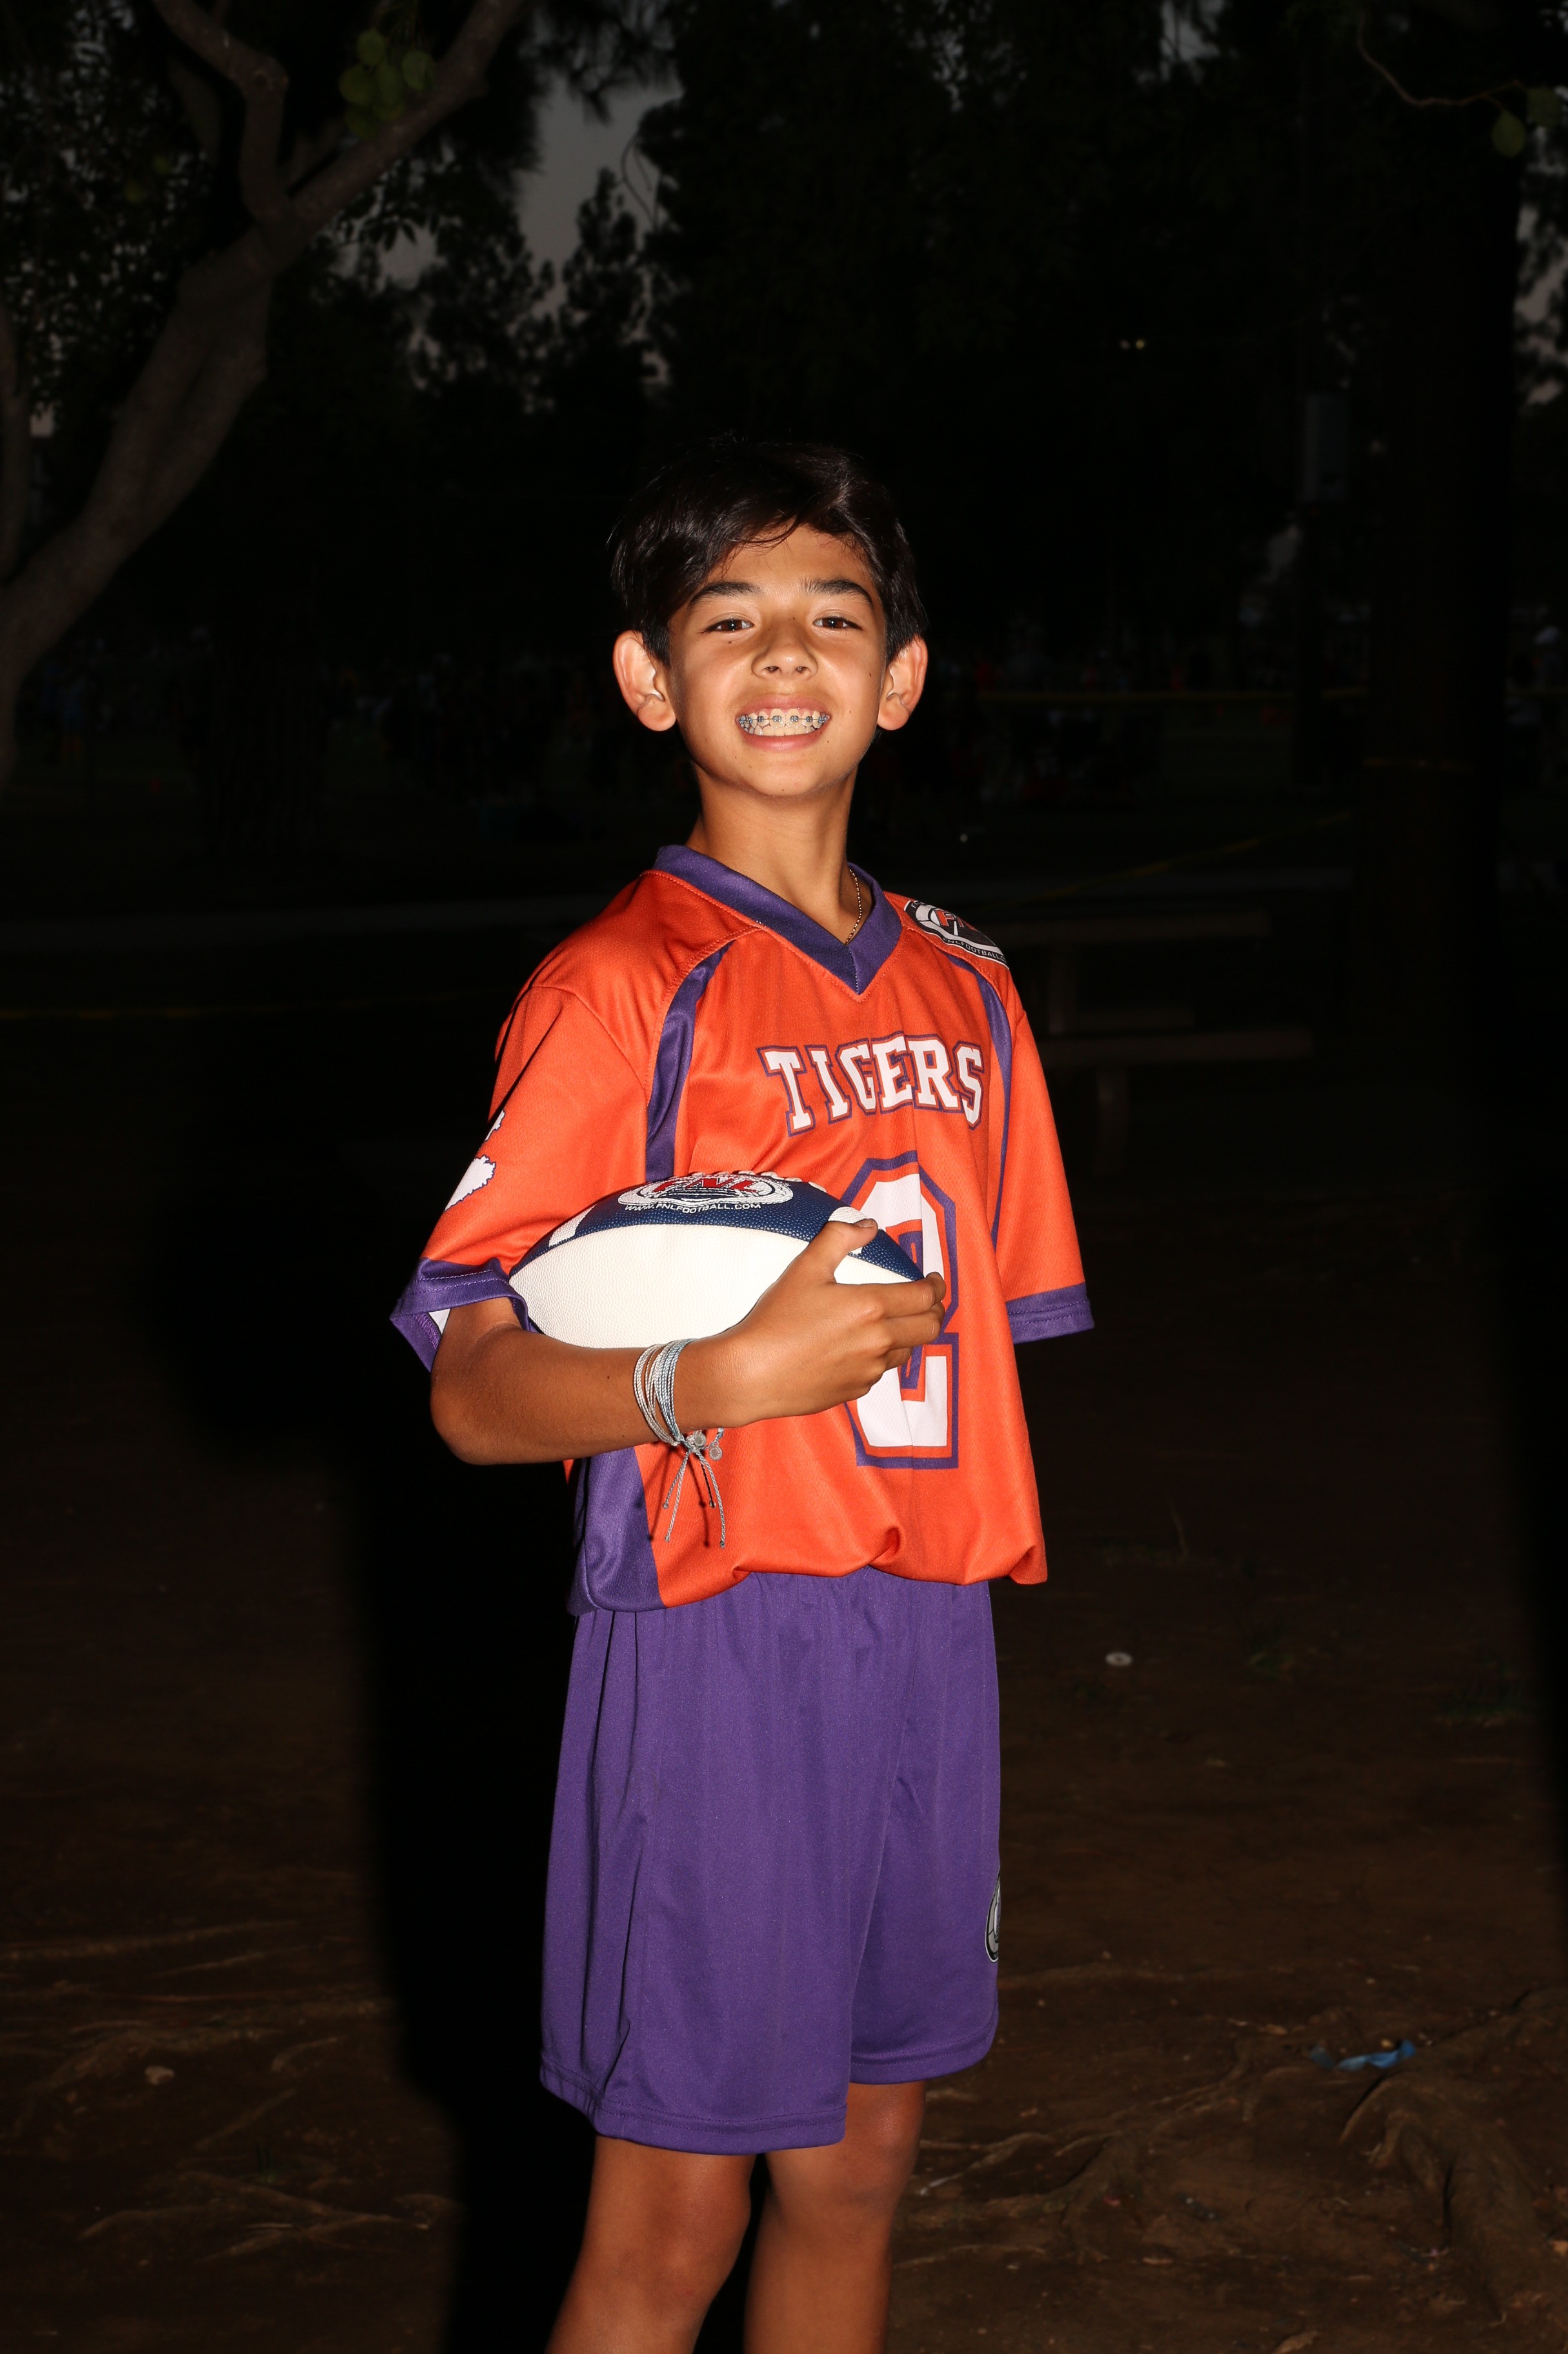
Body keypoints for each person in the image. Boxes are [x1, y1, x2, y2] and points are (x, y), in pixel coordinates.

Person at [392, 438, 1091, 2353]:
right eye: (730, 620)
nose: (786, 654)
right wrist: (714, 1375)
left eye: (833, 617)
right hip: (715, 1643)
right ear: (649, 679)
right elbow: (471, 1388)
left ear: (905, 677)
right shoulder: (616, 986)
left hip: (923, 1635)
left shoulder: (971, 991)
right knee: (672, 2215)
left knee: (860, 2170)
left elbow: (983, 1350)